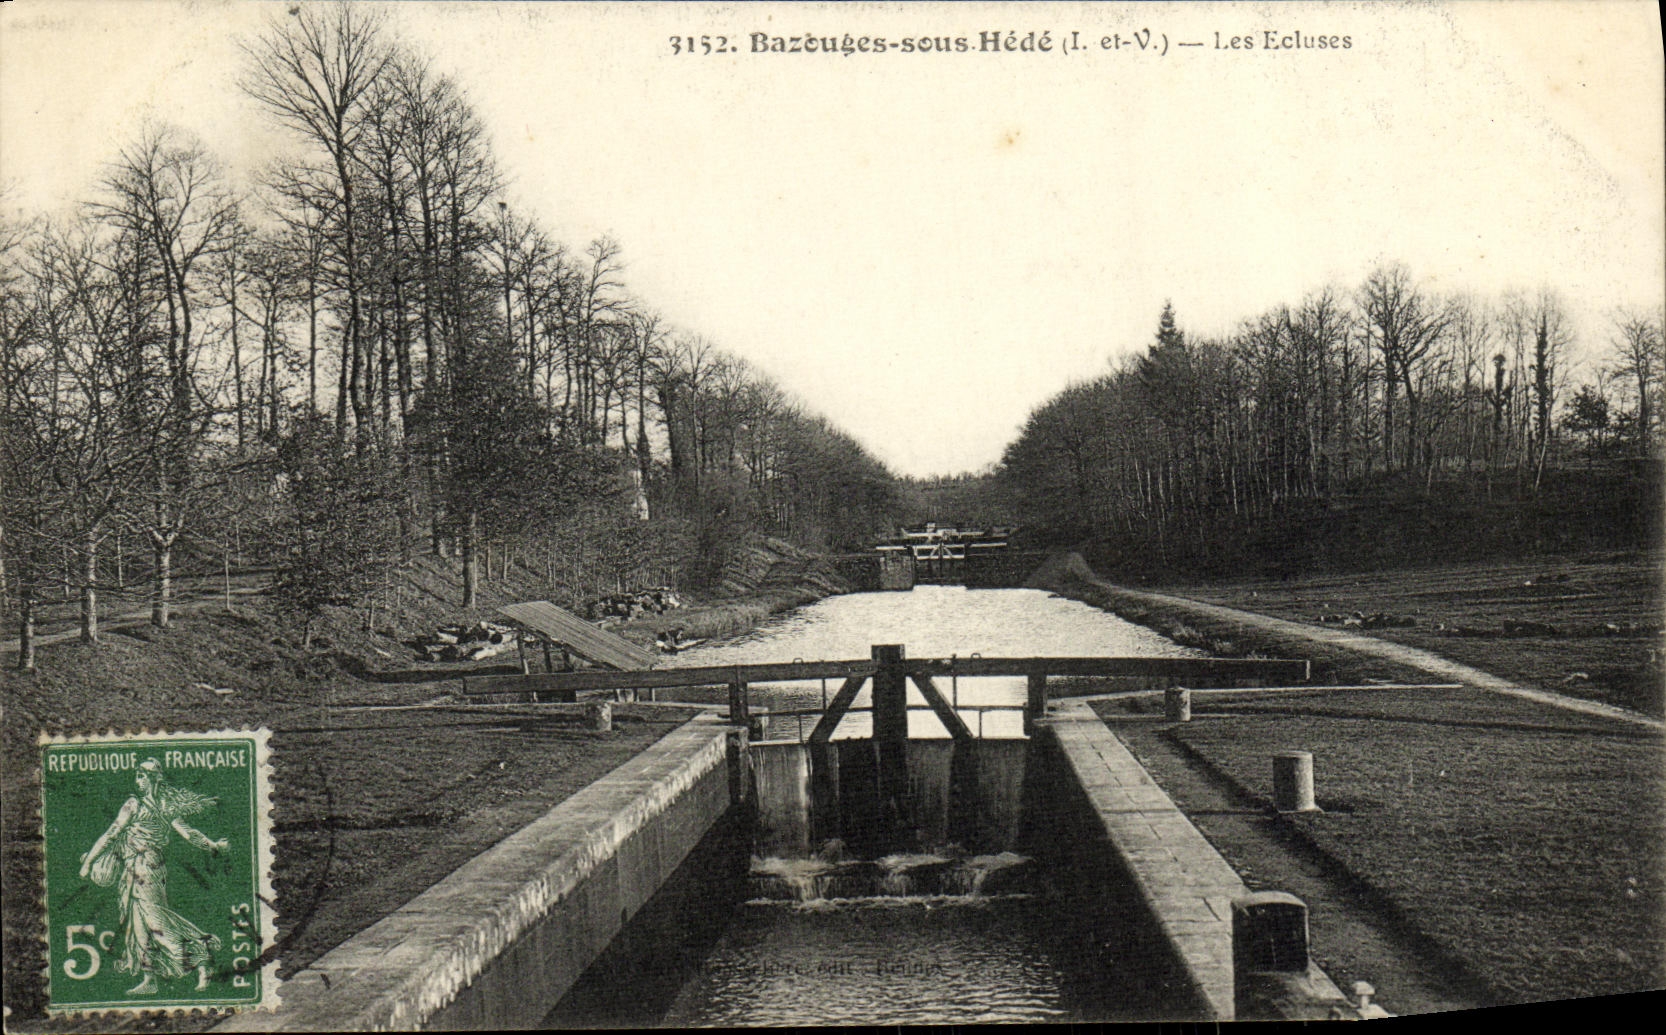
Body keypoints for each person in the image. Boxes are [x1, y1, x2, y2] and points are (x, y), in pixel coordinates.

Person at [78, 758, 227, 995]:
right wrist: (213, 845)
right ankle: (150, 979)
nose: (137, 781)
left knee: (157, 923)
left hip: (146, 869)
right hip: (135, 869)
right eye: (137, 776)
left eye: (141, 776)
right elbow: (189, 834)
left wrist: (88, 863)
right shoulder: (161, 805)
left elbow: (111, 834)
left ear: (152, 779)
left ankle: (202, 956)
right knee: (138, 927)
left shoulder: (139, 805)